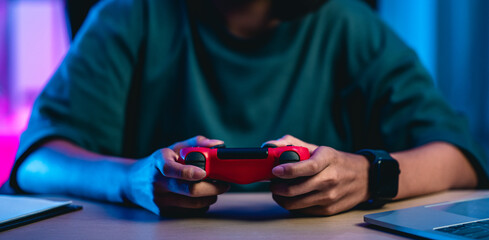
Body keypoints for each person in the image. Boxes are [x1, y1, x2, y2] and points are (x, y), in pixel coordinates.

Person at [2, 0, 488, 216]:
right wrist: (131, 180)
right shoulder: (131, 14)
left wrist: (367, 173)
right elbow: (35, 163)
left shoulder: (350, 27)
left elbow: (462, 158)